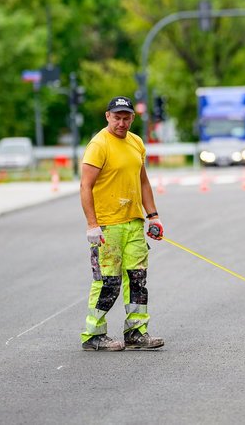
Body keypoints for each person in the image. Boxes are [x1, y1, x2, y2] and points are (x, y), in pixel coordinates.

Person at [79, 96, 165, 351]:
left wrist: (153, 216)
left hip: (133, 222)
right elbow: (85, 185)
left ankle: (136, 332)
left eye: (126, 118)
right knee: (108, 282)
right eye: (117, 118)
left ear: (132, 118)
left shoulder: (136, 142)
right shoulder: (99, 145)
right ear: (108, 116)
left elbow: (143, 181)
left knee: (137, 279)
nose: (121, 123)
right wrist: (92, 224)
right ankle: (93, 335)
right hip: (107, 226)